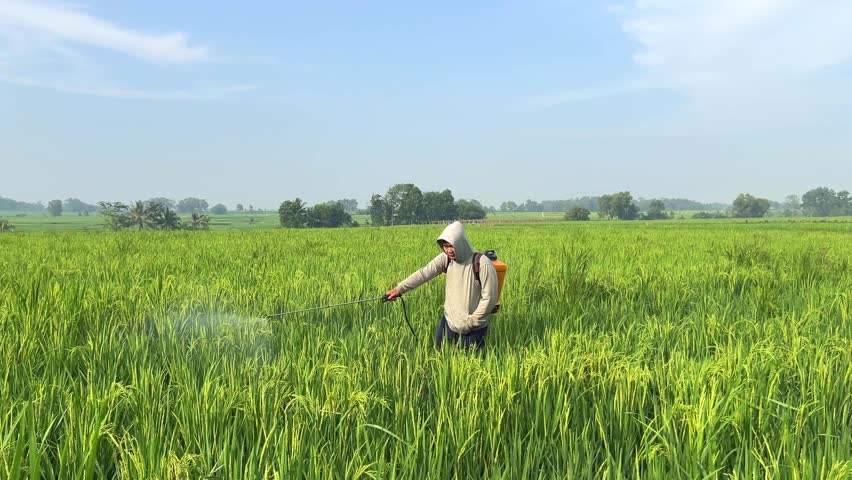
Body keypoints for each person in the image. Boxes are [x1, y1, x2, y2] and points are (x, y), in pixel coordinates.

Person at [385, 221, 498, 353]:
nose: (448, 250)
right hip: (449, 320)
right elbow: (424, 273)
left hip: (473, 328)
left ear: (461, 243)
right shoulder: (446, 259)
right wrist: (400, 289)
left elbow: (489, 298)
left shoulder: (482, 264)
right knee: (441, 355)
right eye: (445, 246)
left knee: (469, 364)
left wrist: (472, 321)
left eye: (451, 246)